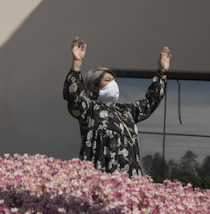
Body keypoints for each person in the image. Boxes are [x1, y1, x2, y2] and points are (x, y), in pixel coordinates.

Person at [62, 36, 170, 176]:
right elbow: (73, 96)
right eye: (108, 80)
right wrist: (77, 63)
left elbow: (151, 102)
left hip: (128, 183)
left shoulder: (126, 111)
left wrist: (162, 73)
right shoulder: (90, 109)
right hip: (101, 180)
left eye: (114, 80)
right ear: (94, 87)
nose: (114, 83)